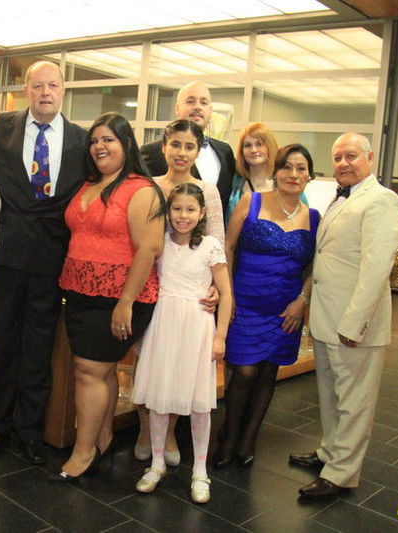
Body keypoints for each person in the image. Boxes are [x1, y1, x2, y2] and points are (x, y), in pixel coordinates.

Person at [0, 61, 88, 464]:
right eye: (38, 86)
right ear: (26, 90)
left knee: (39, 346)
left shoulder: (82, 141)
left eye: (53, 86)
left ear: (63, 90)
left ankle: (29, 430)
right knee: (3, 342)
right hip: (6, 255)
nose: (45, 93)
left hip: (52, 259)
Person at [289, 133, 398, 499]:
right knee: (330, 394)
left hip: (353, 324)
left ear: (370, 157)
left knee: (354, 402)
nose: (343, 163)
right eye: (337, 157)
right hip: (327, 318)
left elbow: (376, 269)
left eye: (351, 156)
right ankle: (330, 452)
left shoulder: (382, 200)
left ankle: (342, 473)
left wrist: (355, 324)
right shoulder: (342, 198)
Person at [54, 112, 164, 481]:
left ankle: (83, 453)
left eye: (108, 139)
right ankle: (102, 440)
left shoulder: (140, 190)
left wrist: (125, 302)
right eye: (95, 140)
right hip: (80, 293)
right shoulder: (89, 184)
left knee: (90, 372)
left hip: (120, 297)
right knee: (99, 372)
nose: (99, 146)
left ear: (126, 144)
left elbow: (149, 249)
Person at [214, 144, 319, 470]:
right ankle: (228, 436)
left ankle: (248, 439)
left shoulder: (314, 218)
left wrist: (302, 300)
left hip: (284, 310)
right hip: (245, 302)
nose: (293, 174)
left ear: (309, 176)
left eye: (301, 168)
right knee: (244, 371)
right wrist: (228, 294)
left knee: (268, 374)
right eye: (287, 167)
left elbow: (315, 267)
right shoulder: (252, 201)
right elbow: (228, 247)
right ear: (276, 171)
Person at [132, 183, 232, 504]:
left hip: (197, 327)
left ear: (202, 213)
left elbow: (226, 293)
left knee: (199, 403)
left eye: (190, 209)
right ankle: (156, 463)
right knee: (159, 397)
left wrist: (220, 336)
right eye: (177, 208)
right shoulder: (160, 241)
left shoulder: (210, 246)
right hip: (164, 324)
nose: (183, 216)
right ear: (168, 211)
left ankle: (200, 471)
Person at [134, 119, 224, 467]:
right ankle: (146, 428)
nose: (181, 153)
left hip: (189, 292)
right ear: (164, 147)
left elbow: (216, 242)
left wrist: (215, 285)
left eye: (189, 146)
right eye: (175, 145)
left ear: (198, 151)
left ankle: (168, 431)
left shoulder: (208, 192)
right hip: (151, 287)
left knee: (177, 365)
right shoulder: (150, 187)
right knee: (148, 362)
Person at [141, 81, 236, 215]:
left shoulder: (225, 151)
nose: (197, 107)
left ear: (210, 110)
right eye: (190, 101)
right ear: (177, 108)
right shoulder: (151, 152)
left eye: (203, 102)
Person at [226, 123, 309, 223]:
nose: (253, 150)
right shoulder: (235, 181)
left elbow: (304, 221)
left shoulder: (287, 182)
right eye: (247, 145)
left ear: (270, 147)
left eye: (259, 144)